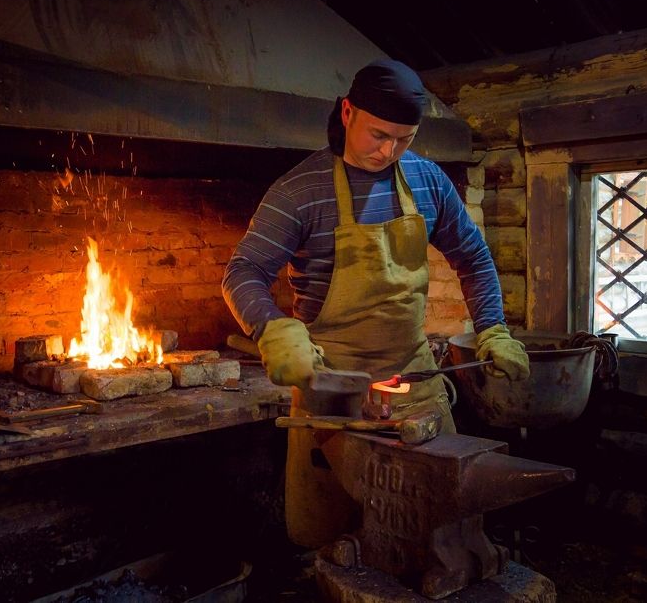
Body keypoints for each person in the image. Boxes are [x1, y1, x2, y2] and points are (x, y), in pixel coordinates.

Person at [222, 58, 529, 548]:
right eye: (379, 135)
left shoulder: (427, 182)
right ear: (347, 113)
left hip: (416, 385)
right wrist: (271, 328)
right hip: (332, 391)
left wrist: (493, 328)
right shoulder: (300, 191)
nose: (389, 152)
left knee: (437, 535)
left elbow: (472, 255)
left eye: (404, 140)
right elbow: (243, 272)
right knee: (331, 540)